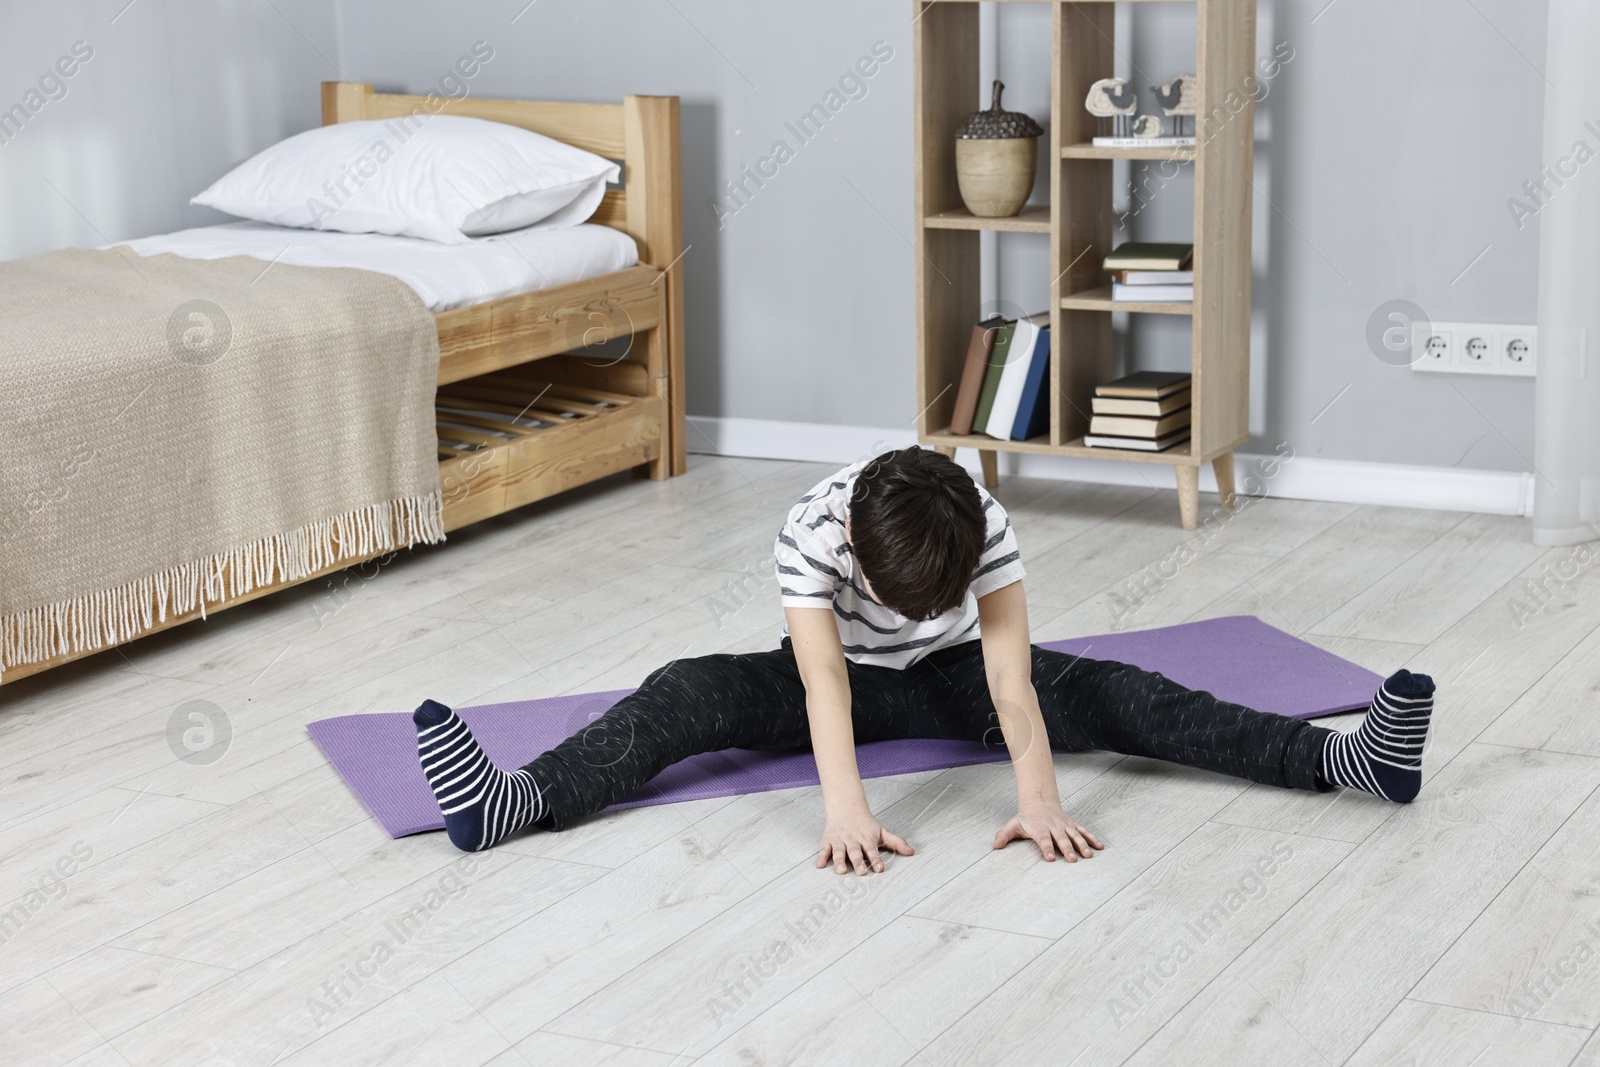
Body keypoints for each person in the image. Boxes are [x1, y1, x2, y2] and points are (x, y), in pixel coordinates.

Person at [413, 447, 1434, 872]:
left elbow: (1007, 673)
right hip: (841, 683)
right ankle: (515, 802)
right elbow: (819, 680)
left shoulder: (979, 519)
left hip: (954, 676)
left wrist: (1038, 795)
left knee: (1126, 693)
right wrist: (843, 808)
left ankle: (1346, 761)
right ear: (853, 546)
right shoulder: (813, 527)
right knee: (687, 689)